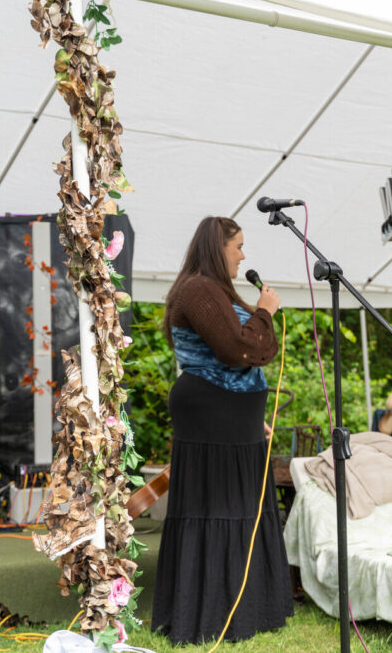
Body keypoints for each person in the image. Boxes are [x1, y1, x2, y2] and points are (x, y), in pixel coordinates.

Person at [151, 216, 292, 644]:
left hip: (235, 416)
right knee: (219, 508)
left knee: (241, 510)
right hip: (210, 411)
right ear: (218, 247)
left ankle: (249, 608)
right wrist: (265, 311)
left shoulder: (215, 290)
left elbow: (259, 353)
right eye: (238, 246)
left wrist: (251, 415)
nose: (243, 255)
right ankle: (212, 613)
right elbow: (238, 350)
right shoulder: (198, 289)